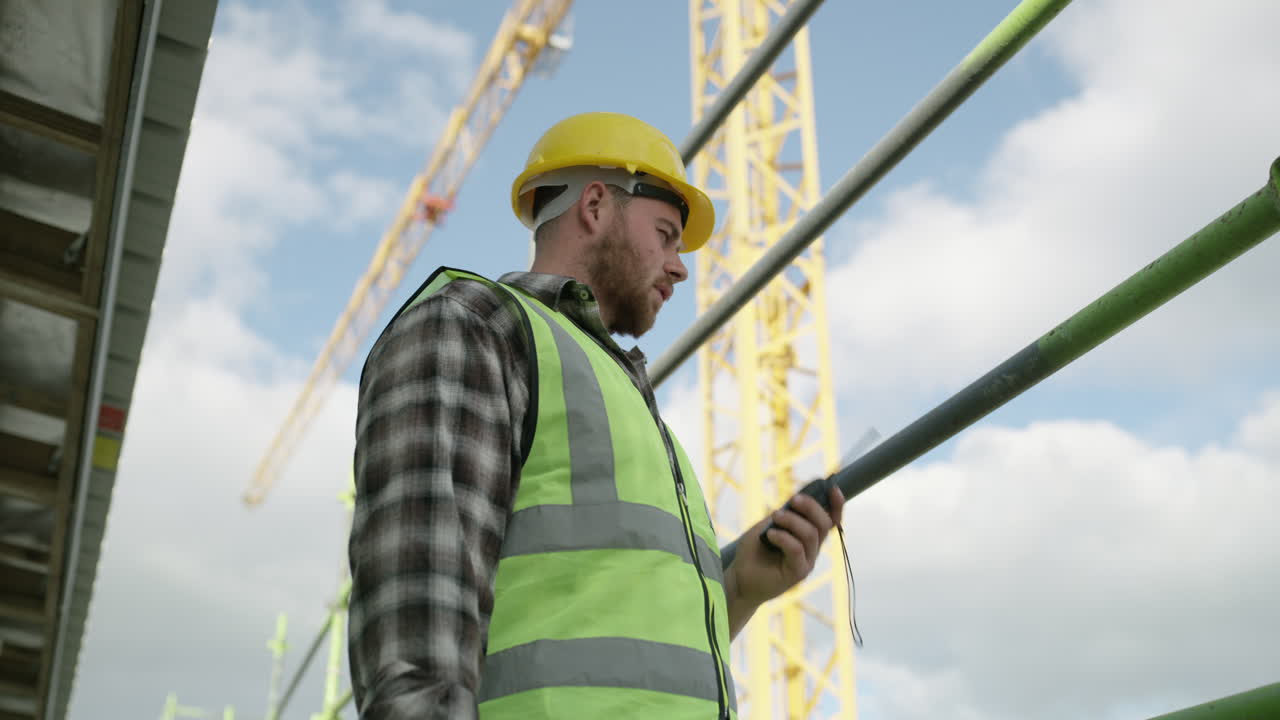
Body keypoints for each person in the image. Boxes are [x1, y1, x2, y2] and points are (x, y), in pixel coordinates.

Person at [347, 112, 845, 720]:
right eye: (665, 234)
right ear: (595, 205)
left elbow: (620, 663)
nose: (680, 266)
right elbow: (418, 622)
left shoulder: (630, 405)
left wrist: (738, 588)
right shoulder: (477, 324)